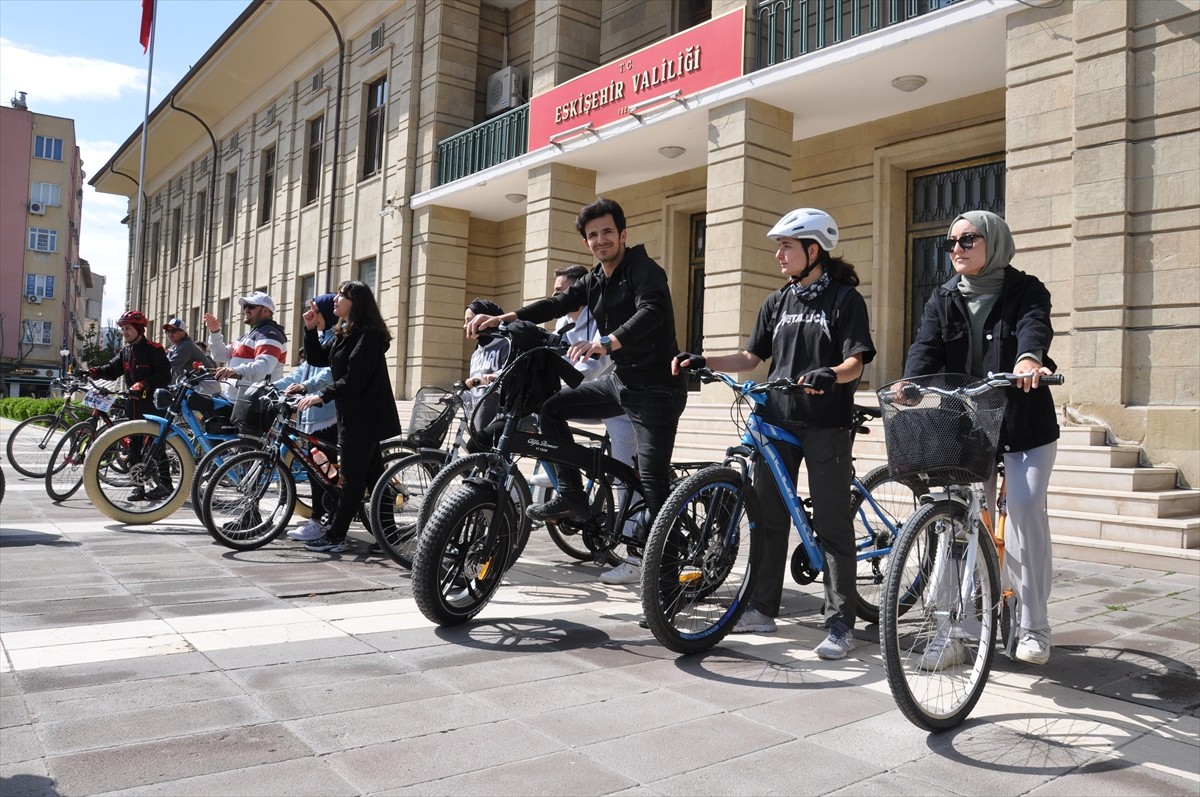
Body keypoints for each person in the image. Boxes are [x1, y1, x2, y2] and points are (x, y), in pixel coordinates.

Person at [674, 208, 876, 661]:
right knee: (766, 518)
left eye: (786, 245)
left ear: (813, 249)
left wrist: (831, 374)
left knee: (831, 522)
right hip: (778, 421)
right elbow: (751, 357)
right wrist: (706, 361)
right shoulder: (776, 302)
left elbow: (856, 362)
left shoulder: (845, 300)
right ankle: (763, 608)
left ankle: (841, 622)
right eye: (779, 246)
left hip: (825, 422)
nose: (778, 254)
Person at [465, 197, 687, 581]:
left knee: (652, 483)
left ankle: (667, 575)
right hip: (621, 382)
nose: (600, 240)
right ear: (586, 242)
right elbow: (558, 302)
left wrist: (609, 341)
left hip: (657, 390)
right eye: (592, 235)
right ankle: (572, 497)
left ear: (622, 234)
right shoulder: (596, 279)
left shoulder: (644, 269)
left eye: (606, 232)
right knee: (550, 409)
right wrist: (506, 316)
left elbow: (651, 312)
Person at [903, 209, 1059, 667]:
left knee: (1026, 510)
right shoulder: (944, 296)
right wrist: (910, 383)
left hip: (1025, 425)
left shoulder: (1025, 289)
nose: (956, 248)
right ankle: (953, 630)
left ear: (994, 242)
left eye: (967, 239)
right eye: (950, 242)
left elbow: (1035, 325)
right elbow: (925, 345)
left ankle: (1034, 624)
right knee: (955, 519)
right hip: (968, 423)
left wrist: (1030, 360)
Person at [551, 264, 641, 585]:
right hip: (586, 396)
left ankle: (635, 555)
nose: (555, 296)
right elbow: (552, 351)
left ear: (578, 292)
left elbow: (590, 368)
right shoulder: (563, 321)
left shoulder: (599, 318)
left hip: (618, 401)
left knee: (624, 474)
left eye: (561, 290)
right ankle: (570, 490)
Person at [297, 280, 401, 554]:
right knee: (375, 478)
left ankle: (336, 535)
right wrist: (310, 329)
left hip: (364, 418)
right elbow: (319, 358)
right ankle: (388, 535)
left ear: (357, 303)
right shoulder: (345, 332)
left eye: (343, 295)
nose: (336, 299)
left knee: (353, 480)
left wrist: (322, 395)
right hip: (353, 416)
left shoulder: (368, 336)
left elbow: (354, 379)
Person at [89, 310, 172, 501]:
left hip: (152, 405)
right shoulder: (125, 351)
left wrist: (144, 383)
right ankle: (138, 487)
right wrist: (93, 372)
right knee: (134, 446)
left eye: (128, 328)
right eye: (123, 329)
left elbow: (164, 376)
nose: (124, 332)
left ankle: (166, 485)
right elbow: (112, 370)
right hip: (132, 404)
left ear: (139, 329)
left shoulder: (154, 350)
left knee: (155, 445)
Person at [279, 293, 339, 542]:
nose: (311, 312)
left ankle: (320, 519)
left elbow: (328, 374)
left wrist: (306, 388)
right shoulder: (321, 338)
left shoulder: (336, 338)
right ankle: (320, 518)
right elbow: (302, 372)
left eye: (316, 309)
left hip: (327, 415)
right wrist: (273, 386)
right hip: (310, 414)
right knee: (317, 471)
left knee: (323, 472)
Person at [203, 291, 287, 401]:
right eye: (245, 306)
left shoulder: (270, 334)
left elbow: (263, 368)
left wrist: (234, 370)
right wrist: (215, 332)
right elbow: (219, 355)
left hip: (252, 405)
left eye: (251, 306)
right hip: (234, 400)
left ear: (266, 311)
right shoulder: (248, 335)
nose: (246, 310)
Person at [462, 298, 511, 439]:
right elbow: (475, 391)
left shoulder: (505, 344)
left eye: (469, 320)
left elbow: (510, 375)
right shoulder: (477, 352)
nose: (465, 326)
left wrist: (492, 377)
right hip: (479, 420)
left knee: (475, 451)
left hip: (499, 420)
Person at [162, 317, 209, 383]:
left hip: (205, 383)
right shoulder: (173, 347)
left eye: (173, 331)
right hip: (194, 383)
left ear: (183, 333)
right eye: (167, 331)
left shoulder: (186, 345)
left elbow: (169, 364)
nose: (170, 334)